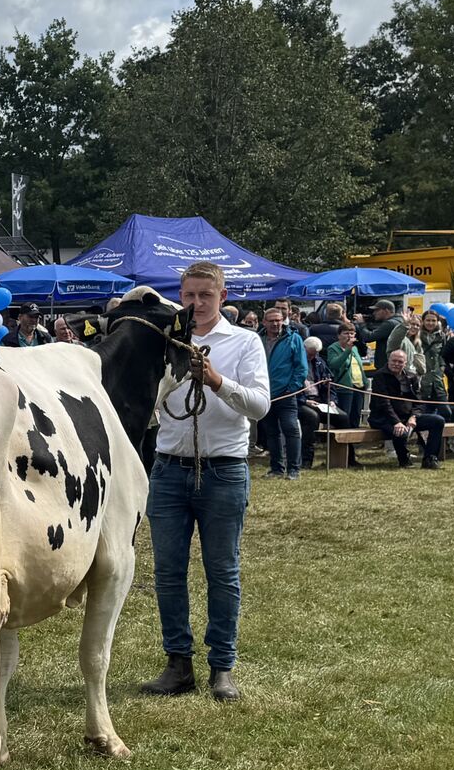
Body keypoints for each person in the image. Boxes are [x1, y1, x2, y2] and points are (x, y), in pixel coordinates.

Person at [140, 261, 270, 703]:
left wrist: (216, 381)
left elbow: (259, 405)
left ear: (223, 297)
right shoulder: (166, 341)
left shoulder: (245, 342)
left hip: (223, 469)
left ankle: (222, 667)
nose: (195, 304)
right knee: (168, 573)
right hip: (169, 467)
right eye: (189, 295)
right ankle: (178, 663)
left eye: (205, 296)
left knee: (222, 571)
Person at [370, 349, 446, 469]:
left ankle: (430, 458)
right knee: (400, 432)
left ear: (405, 363)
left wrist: (413, 417)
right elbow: (384, 403)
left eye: (400, 362)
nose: (396, 364)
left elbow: (419, 401)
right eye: (393, 361)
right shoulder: (380, 376)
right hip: (384, 418)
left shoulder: (411, 376)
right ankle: (404, 460)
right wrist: (397, 422)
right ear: (388, 361)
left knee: (438, 421)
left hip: (407, 417)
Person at [259, 306, 308, 479]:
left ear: (283, 320)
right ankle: (276, 469)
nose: (275, 323)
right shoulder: (258, 339)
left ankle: (294, 469)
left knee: (291, 429)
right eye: (271, 320)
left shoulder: (294, 339)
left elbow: (301, 367)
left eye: (278, 320)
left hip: (286, 394)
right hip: (264, 394)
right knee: (271, 433)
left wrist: (292, 388)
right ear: (264, 322)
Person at [298, 336, 334, 468]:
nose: (312, 357)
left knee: (342, 417)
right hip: (301, 402)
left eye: (315, 354)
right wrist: (305, 401)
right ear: (304, 349)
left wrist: (331, 400)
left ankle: (343, 457)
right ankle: (306, 460)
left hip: (319, 400)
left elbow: (330, 383)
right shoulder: (295, 362)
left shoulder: (319, 362)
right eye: (310, 354)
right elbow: (290, 388)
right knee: (312, 418)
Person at [324, 323, 367, 431]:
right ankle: (343, 443)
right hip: (344, 387)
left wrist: (365, 382)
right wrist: (347, 350)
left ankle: (353, 443)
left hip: (358, 387)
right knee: (344, 417)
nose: (349, 336)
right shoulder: (333, 348)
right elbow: (334, 364)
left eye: (352, 333)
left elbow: (359, 366)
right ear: (339, 335)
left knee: (356, 416)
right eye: (346, 333)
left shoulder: (355, 348)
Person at [414, 310, 449, 418]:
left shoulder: (441, 336)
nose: (430, 323)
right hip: (421, 378)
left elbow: (443, 354)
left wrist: (442, 367)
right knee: (424, 412)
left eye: (433, 320)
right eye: (428, 320)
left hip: (437, 379)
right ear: (423, 321)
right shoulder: (416, 335)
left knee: (446, 412)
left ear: (437, 322)